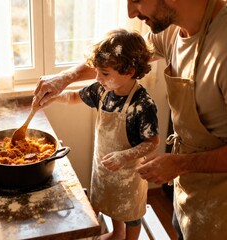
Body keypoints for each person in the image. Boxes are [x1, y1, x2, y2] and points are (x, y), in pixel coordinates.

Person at [33, 1, 227, 240]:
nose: (130, 12)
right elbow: (116, 58)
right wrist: (64, 78)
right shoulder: (170, 30)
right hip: (188, 186)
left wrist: (180, 164)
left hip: (220, 203)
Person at [52, 29, 160, 240]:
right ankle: (117, 234)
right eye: (97, 72)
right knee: (111, 203)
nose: (98, 77)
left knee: (130, 212)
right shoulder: (103, 90)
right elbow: (74, 97)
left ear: (129, 71)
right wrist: (53, 95)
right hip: (103, 166)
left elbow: (152, 142)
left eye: (105, 73)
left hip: (130, 174)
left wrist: (124, 156)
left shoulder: (142, 104)